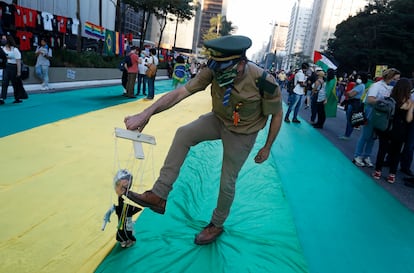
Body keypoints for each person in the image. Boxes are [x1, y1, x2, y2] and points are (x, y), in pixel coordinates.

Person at [123, 35, 283, 245]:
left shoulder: (264, 81)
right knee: (184, 134)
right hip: (219, 119)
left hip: (243, 131)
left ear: (241, 63)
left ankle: (216, 224)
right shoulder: (214, 70)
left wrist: (267, 146)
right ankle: (159, 195)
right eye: (216, 67)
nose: (219, 72)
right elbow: (181, 92)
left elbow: (277, 114)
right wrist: (147, 113)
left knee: (227, 180)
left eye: (224, 68)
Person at [353, 68, 401, 167]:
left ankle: (366, 156)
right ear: (390, 77)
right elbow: (370, 100)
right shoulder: (376, 86)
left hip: (383, 116)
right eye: (395, 79)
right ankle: (357, 156)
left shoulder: (391, 88)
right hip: (372, 112)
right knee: (366, 135)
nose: (396, 82)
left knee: (373, 137)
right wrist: (382, 101)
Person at [372, 78, 413, 183]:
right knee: (396, 152)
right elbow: (409, 119)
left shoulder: (390, 98)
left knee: (382, 149)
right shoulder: (409, 102)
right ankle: (392, 175)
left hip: (387, 127)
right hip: (400, 130)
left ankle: (377, 172)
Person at [0, 35, 23, 104]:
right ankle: (2, 98)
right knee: (4, 83)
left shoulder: (15, 49)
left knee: (15, 83)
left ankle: (17, 98)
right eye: (2, 39)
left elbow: (18, 61)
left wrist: (19, 72)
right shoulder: (2, 48)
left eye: (5, 39)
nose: (3, 40)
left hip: (14, 67)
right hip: (6, 67)